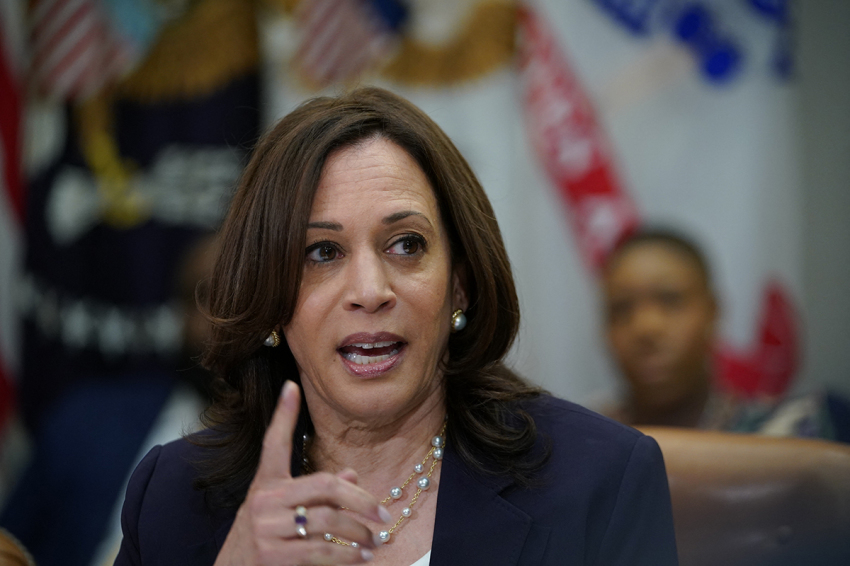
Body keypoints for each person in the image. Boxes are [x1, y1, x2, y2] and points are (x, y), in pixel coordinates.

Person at [114, 87, 678, 566]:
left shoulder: (599, 480)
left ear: (459, 283)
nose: (369, 291)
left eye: (406, 245)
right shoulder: (172, 500)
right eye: (322, 252)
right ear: (271, 301)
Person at [600, 228, 848, 439]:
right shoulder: (573, 442)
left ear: (713, 311)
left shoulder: (801, 429)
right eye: (621, 308)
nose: (646, 328)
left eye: (670, 299)